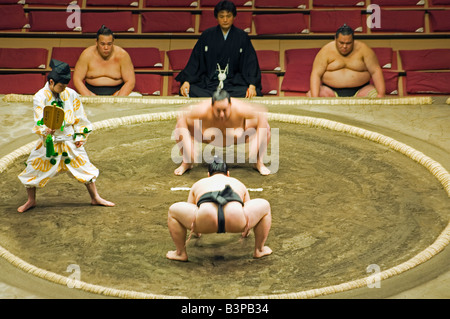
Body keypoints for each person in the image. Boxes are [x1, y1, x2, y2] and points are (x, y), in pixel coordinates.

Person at [17, 59, 115, 213]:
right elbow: (38, 119)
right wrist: (44, 130)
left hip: (69, 139)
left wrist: (80, 136)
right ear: (51, 81)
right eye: (61, 86)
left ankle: (95, 197)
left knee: (85, 167)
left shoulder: (71, 94)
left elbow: (80, 117)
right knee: (33, 167)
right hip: (50, 141)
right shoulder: (40, 97)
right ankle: (31, 200)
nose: (63, 89)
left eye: (65, 86)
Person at [166, 158, 272, 262]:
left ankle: (180, 253)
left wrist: (197, 231)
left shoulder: (199, 183)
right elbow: (247, 208)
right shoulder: (237, 182)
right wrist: (245, 231)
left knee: (173, 211)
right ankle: (259, 250)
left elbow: (190, 209)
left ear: (208, 174)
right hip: (236, 218)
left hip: (205, 218)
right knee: (265, 205)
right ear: (228, 174)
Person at [173, 89, 271, 176]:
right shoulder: (202, 109)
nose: (221, 114)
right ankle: (186, 162)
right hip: (208, 137)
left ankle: (258, 162)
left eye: (225, 110)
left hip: (237, 137)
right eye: (218, 110)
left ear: (230, 105)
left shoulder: (240, 108)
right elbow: (182, 117)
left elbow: (261, 114)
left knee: (265, 128)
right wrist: (187, 142)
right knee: (179, 128)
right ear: (212, 106)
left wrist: (256, 143)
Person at [176, 0, 262, 98]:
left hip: (233, 83)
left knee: (251, 92)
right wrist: (187, 81)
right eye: (221, 16)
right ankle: (220, 97)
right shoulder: (207, 35)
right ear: (216, 17)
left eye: (228, 16)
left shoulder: (242, 37)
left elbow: (250, 63)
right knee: (190, 90)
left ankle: (216, 97)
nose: (225, 20)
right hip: (210, 83)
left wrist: (252, 85)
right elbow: (195, 61)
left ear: (234, 17)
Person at [308, 24, 385, 98]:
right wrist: (315, 98)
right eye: (341, 43)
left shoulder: (364, 50)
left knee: (375, 95)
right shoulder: (326, 51)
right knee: (311, 95)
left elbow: (375, 71)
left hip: (361, 90)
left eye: (348, 43)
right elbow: (316, 74)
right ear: (335, 39)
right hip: (330, 91)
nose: (344, 46)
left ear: (353, 40)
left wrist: (381, 94)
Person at [73, 25, 135, 96]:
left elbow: (130, 81)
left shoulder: (122, 55)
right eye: (102, 44)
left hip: (118, 93)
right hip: (90, 93)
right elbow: (77, 79)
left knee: (136, 97)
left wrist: (119, 99)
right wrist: (89, 97)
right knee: (74, 97)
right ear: (96, 42)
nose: (106, 47)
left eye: (109, 44)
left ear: (113, 42)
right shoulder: (87, 54)